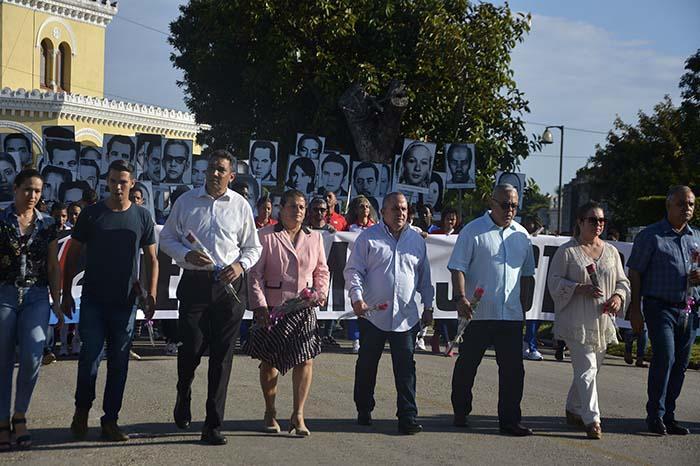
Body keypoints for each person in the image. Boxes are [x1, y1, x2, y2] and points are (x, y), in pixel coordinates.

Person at [160, 150, 262, 445]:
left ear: (231, 176)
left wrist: (239, 265)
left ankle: (213, 424)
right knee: (190, 350)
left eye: (221, 170)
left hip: (229, 289)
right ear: (204, 172)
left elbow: (253, 248)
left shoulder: (240, 206)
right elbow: (166, 239)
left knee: (222, 357)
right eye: (211, 169)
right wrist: (184, 253)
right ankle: (184, 392)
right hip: (195, 284)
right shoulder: (187, 201)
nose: (215, 174)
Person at [62, 160, 159, 442]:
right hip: (92, 300)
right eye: (114, 181)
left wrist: (151, 294)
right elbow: (71, 255)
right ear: (107, 181)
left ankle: (110, 420)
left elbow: (152, 259)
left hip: (125, 303)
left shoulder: (142, 217)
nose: (118, 186)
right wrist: (66, 292)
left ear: (133, 183)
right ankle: (81, 412)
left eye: (124, 182)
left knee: (119, 363)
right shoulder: (92, 214)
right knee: (89, 358)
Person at [448, 183, 536, 436]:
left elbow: (528, 274)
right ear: (492, 203)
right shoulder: (473, 231)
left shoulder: (522, 235)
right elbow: (458, 267)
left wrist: (525, 303)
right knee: (467, 365)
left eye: (514, 206)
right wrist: (461, 297)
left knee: (513, 371)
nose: (510, 210)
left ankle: (510, 420)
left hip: (510, 315)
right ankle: (461, 411)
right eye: (505, 204)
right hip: (478, 313)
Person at [345, 192, 434, 435]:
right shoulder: (368, 238)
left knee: (406, 369)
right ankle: (364, 409)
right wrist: (357, 298)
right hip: (373, 316)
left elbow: (425, 278)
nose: (400, 213)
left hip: (405, 318)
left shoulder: (416, 241)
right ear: (383, 212)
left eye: (404, 209)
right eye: (395, 209)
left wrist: (428, 306)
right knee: (367, 365)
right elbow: (353, 271)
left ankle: (407, 416)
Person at [247, 189, 329, 436]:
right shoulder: (265, 236)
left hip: (303, 308)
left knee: (306, 359)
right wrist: (260, 304)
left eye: (302, 207)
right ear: (281, 209)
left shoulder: (314, 237)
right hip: (272, 309)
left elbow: (322, 270)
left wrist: (319, 293)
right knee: (269, 360)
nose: (298, 211)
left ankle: (298, 415)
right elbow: (254, 274)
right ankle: (270, 411)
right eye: (293, 206)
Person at [548, 201, 630, 439]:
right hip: (576, 320)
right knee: (587, 368)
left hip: (602, 319)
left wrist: (618, 296)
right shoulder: (567, 251)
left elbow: (623, 281)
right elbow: (553, 282)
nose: (598, 225)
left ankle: (573, 408)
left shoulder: (612, 252)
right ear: (580, 222)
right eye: (593, 220)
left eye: (602, 220)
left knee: (592, 370)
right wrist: (577, 288)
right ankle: (592, 419)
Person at [627, 185, 699, 436]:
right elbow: (635, 271)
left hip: (689, 310)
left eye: (690, 204)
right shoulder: (651, 236)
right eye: (681, 203)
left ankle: (669, 414)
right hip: (660, 307)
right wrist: (635, 309)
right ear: (668, 205)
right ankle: (654, 414)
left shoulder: (696, 237)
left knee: (680, 363)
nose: (686, 208)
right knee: (665, 358)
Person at [0, 169, 64, 451]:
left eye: (37, 191)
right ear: (15, 189)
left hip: (37, 295)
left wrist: (57, 300)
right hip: (4, 293)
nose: (32, 196)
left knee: (32, 356)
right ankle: (2, 420)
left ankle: (20, 414)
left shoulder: (48, 223)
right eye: (27, 189)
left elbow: (53, 265)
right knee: (2, 360)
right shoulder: (1, 219)